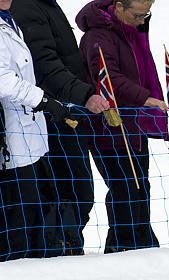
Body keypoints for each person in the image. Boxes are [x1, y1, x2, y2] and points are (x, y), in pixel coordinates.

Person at [11, 0, 110, 256]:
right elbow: (45, 66)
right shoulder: (27, 8)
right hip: (53, 116)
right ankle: (57, 252)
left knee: (78, 191)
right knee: (68, 191)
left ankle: (66, 247)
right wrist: (83, 94)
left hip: (67, 113)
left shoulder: (46, 5)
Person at [77, 0, 168, 253]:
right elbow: (107, 75)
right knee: (124, 186)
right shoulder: (98, 36)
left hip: (133, 123)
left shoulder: (130, 30)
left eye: (147, 14)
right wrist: (143, 97)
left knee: (140, 185)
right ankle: (122, 247)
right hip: (109, 127)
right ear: (118, 7)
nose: (142, 21)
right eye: (138, 15)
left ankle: (143, 242)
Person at [0, 0, 72, 260]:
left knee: (34, 207)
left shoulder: (9, 20)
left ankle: (33, 261)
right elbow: (4, 79)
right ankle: (16, 267)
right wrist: (42, 100)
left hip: (28, 134)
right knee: (17, 214)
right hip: (10, 138)